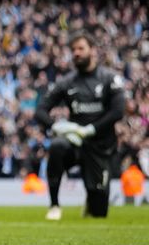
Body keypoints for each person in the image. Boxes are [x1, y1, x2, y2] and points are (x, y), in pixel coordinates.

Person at [35, 32, 128, 220]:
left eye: (81, 48)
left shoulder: (110, 79)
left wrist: (91, 129)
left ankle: (92, 198)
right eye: (73, 50)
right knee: (57, 146)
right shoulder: (66, 82)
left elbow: (118, 111)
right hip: (75, 142)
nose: (76, 53)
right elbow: (40, 111)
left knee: (98, 213)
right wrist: (58, 127)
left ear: (93, 51)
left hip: (100, 147)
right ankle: (54, 205)